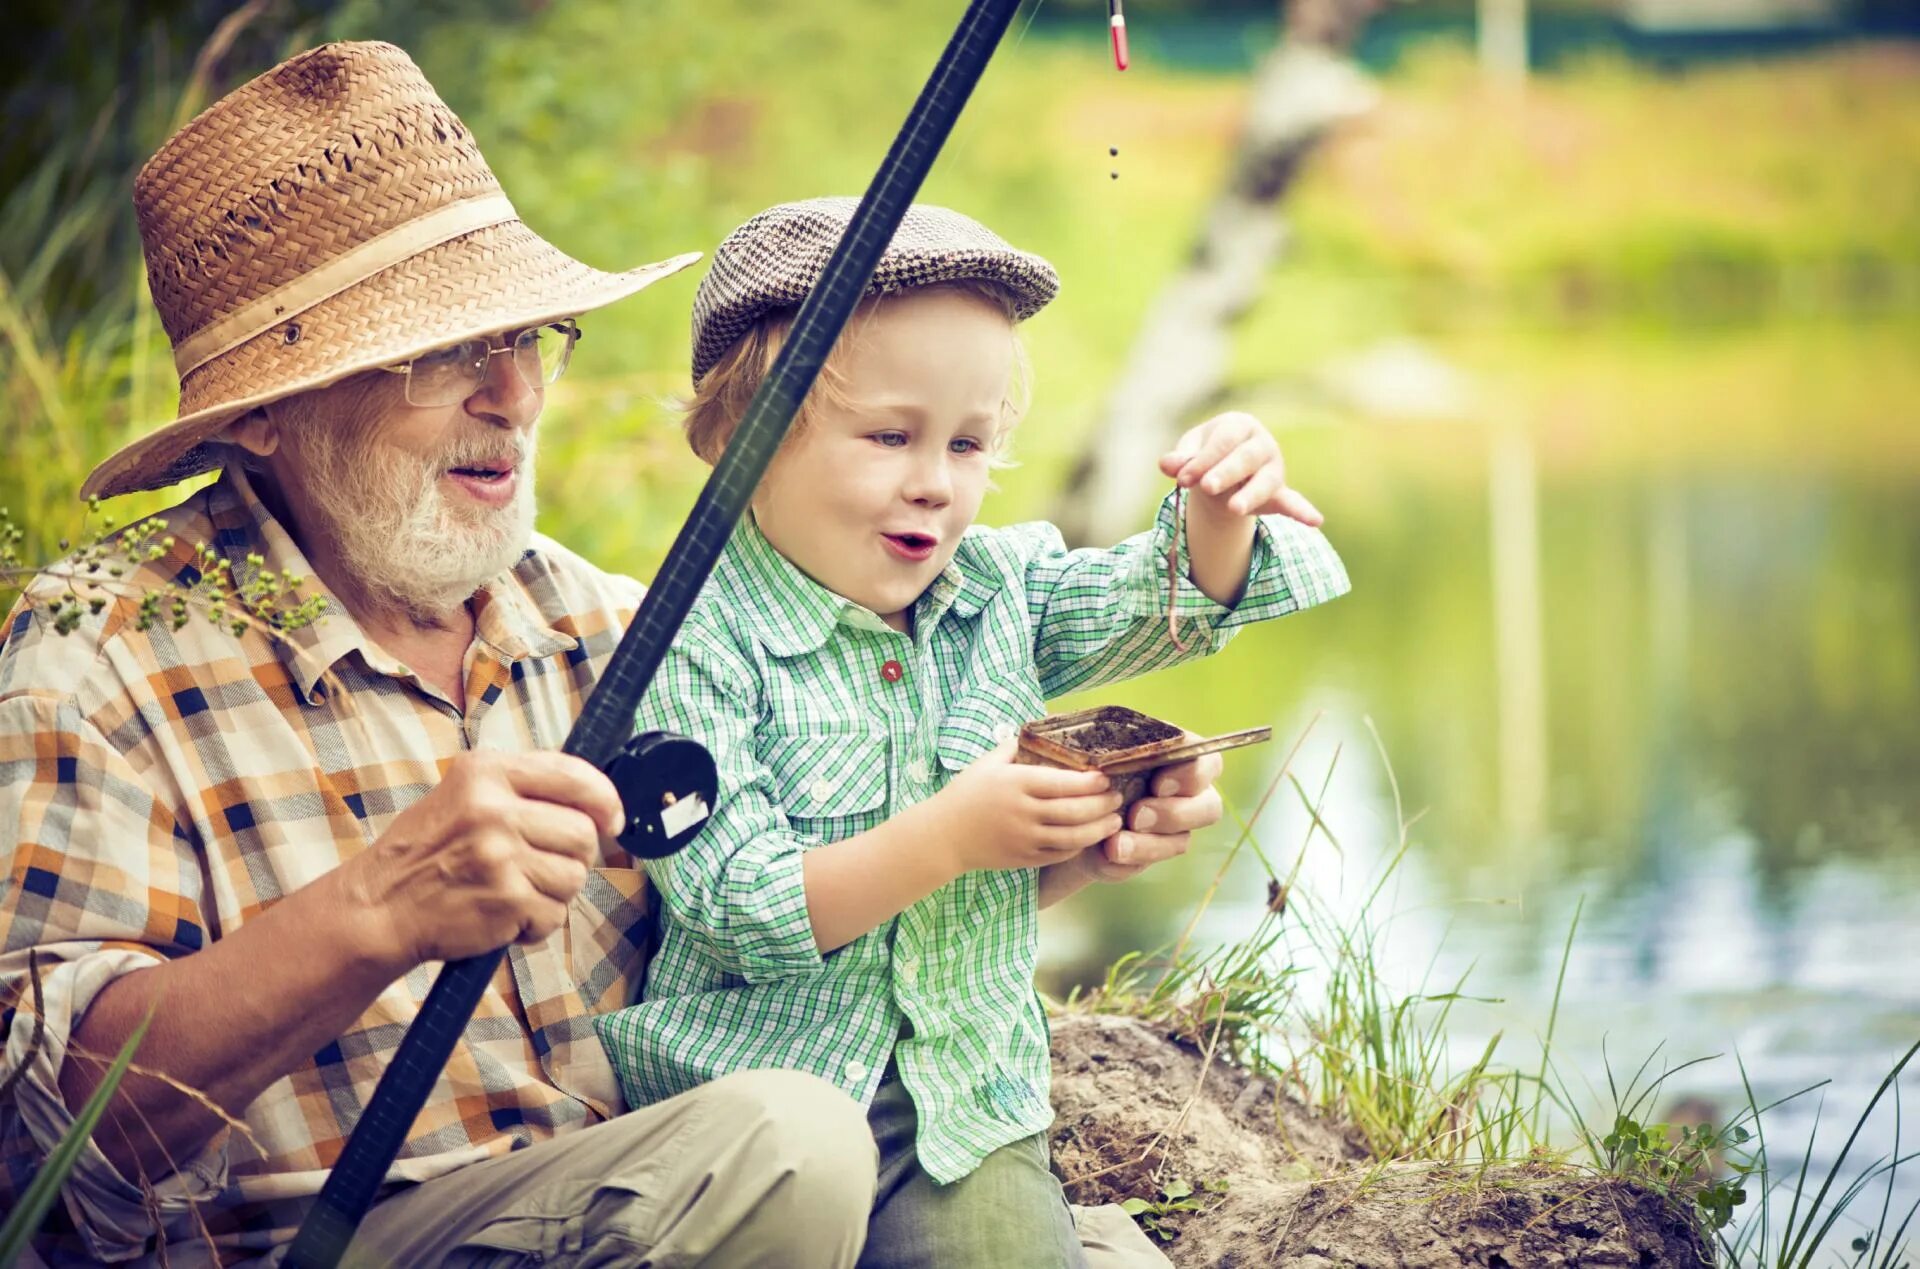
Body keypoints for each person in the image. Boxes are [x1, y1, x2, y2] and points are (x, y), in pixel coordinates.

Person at [0, 44, 1238, 1269]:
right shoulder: (100, 654)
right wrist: (376, 912)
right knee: (794, 1142)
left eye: (530, 337)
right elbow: (47, 1141)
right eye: (440, 355)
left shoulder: (619, 625)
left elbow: (775, 944)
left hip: (640, 1201)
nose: (513, 394)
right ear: (263, 412)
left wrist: (1048, 854)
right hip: (322, 1239)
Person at [595, 198, 1352, 1268]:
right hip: (752, 1109)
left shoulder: (996, 589)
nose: (935, 482)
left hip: (961, 1102)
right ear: (741, 440)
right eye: (890, 436)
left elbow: (1160, 598)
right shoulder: (689, 637)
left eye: (969, 442)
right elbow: (736, 909)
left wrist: (1221, 508)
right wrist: (951, 836)